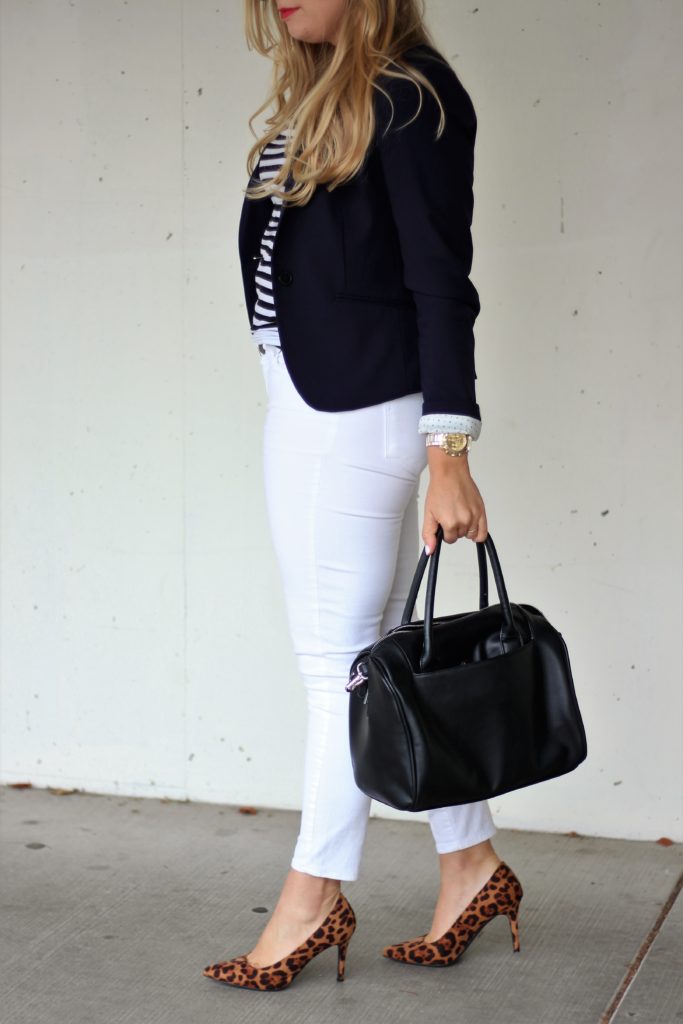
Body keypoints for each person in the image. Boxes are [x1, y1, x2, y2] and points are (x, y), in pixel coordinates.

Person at [202, 0, 524, 992]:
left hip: (355, 419)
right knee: (378, 661)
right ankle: (469, 863)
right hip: (310, 404)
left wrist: (448, 447)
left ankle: (311, 894)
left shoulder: (409, 95)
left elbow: (441, 279)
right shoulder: (326, 99)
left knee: (333, 669)